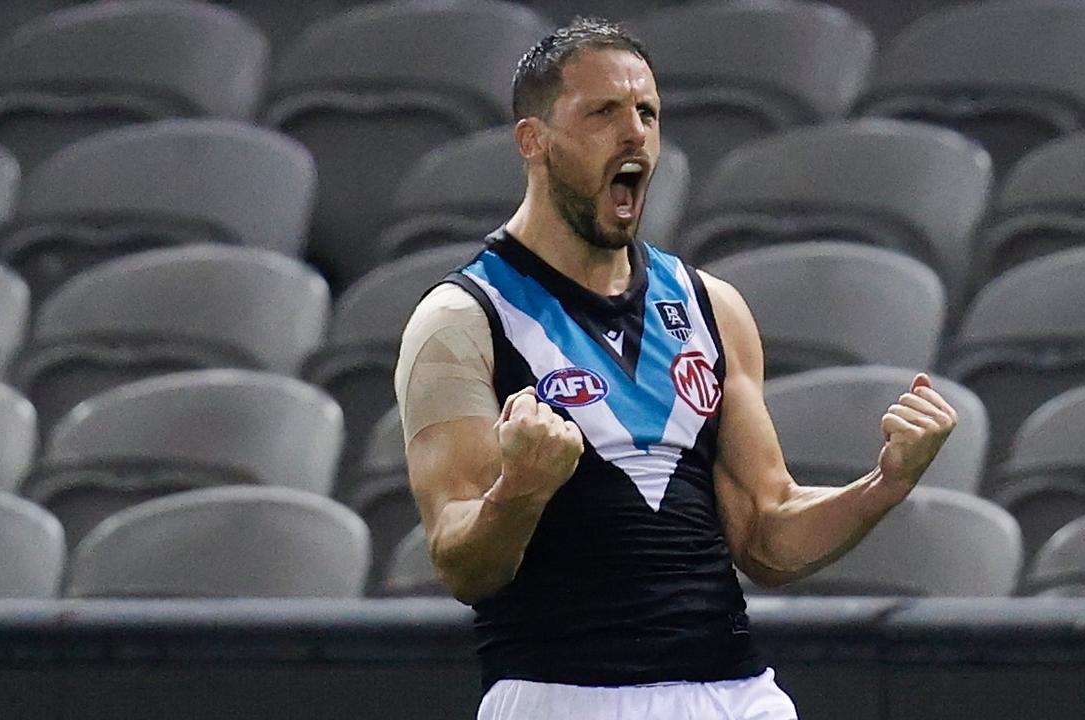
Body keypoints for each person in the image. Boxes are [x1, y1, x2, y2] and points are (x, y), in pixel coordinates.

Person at [394, 17, 958, 720]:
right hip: (563, 696)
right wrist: (522, 489)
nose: (634, 134)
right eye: (603, 112)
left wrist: (885, 483)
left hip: (735, 693)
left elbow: (766, 534)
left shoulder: (708, 306)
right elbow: (460, 564)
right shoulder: (462, 319)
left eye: (648, 113)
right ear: (533, 141)